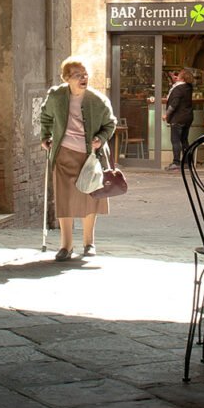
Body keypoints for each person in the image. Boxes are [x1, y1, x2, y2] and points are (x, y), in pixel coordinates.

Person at [39, 57, 118, 261]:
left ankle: (89, 242)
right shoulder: (56, 96)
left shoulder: (98, 100)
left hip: (90, 156)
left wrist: (100, 139)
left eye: (85, 75)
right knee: (64, 198)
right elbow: (46, 116)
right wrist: (45, 136)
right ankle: (66, 246)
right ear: (66, 78)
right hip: (63, 154)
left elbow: (110, 124)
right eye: (77, 75)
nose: (83, 78)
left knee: (90, 197)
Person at [163, 68, 195, 170]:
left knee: (175, 140)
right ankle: (187, 162)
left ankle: (176, 162)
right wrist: (176, 80)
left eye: (180, 74)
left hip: (178, 118)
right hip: (188, 117)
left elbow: (174, 104)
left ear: (182, 77)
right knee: (184, 140)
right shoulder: (188, 87)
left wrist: (166, 114)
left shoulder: (178, 89)